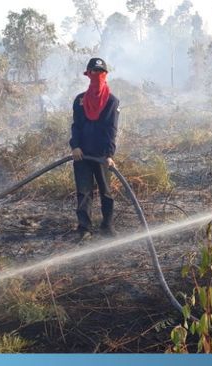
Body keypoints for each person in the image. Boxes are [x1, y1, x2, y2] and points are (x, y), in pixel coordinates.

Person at [69, 57, 120, 240]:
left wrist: (108, 154)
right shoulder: (80, 100)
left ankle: (107, 225)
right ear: (88, 75)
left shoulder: (112, 101)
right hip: (81, 154)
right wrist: (75, 146)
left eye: (100, 72)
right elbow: (76, 126)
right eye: (93, 72)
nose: (97, 76)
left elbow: (111, 129)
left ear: (105, 75)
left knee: (106, 191)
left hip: (101, 156)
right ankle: (84, 227)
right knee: (83, 192)